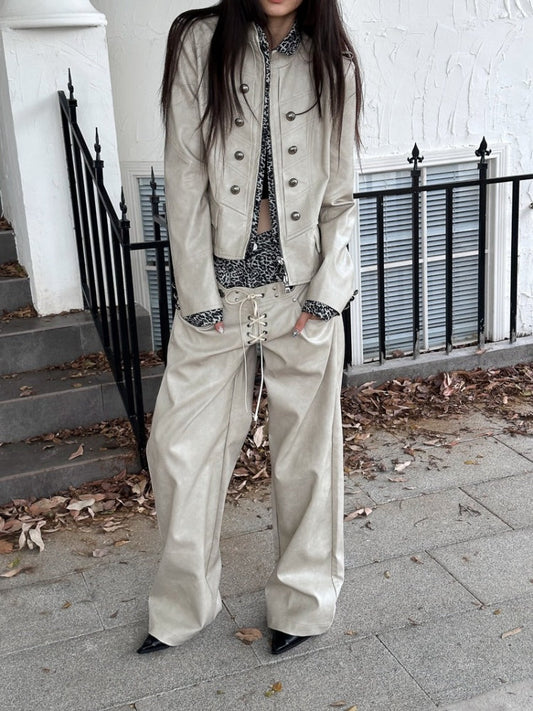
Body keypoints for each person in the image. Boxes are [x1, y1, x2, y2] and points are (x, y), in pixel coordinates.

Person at [137, 0, 363, 657]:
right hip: (217, 293)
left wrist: (329, 294)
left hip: (301, 295)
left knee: (307, 457)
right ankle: (182, 604)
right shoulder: (199, 41)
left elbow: (341, 194)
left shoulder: (333, 61)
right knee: (177, 450)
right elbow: (183, 172)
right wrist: (196, 293)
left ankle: (302, 601)